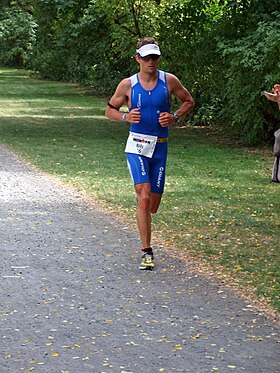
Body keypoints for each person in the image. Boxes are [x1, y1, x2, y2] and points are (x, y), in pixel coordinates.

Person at [105, 37, 195, 270]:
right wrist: (125, 117)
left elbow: (188, 101)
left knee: (152, 205)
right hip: (136, 145)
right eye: (146, 58)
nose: (151, 62)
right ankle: (147, 251)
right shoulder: (128, 85)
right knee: (144, 197)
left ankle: (143, 201)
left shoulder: (169, 80)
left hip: (160, 145)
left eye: (154, 57)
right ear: (138, 59)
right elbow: (109, 110)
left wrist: (174, 117)